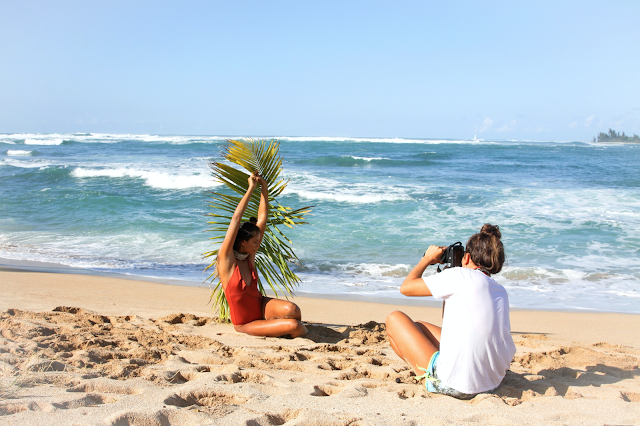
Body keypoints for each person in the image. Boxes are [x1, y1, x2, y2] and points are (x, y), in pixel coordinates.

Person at [385, 224, 516, 399]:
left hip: (457, 386)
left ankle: (430, 378)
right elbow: (450, 328)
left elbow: (406, 288)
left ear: (467, 257)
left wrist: (427, 259)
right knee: (419, 327)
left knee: (395, 319)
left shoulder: (459, 276)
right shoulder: (500, 290)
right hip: (492, 383)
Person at [217, 172, 307, 338]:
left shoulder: (249, 257)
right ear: (243, 241)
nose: (258, 245)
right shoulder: (227, 261)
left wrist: (264, 188)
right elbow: (236, 219)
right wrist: (251, 188)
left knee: (293, 310)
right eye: (255, 242)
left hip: (260, 306)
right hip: (246, 323)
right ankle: (293, 333)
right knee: (295, 325)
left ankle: (286, 332)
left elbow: (262, 219)